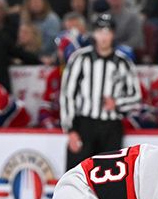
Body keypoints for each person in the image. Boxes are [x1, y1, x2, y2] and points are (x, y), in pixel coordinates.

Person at [60, 13, 141, 169]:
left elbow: (136, 96)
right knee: (77, 177)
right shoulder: (80, 58)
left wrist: (117, 103)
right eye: (100, 32)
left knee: (109, 178)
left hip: (111, 127)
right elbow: (67, 94)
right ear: (94, 34)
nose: (104, 37)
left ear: (113, 34)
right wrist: (70, 129)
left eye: (107, 32)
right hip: (84, 125)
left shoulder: (123, 62)